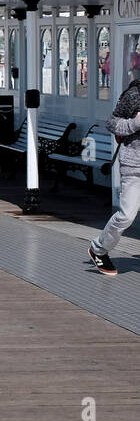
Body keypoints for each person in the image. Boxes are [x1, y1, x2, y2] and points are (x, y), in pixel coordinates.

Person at [88, 75, 140, 274]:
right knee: (126, 216)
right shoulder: (135, 94)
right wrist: (135, 123)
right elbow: (112, 123)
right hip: (134, 165)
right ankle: (99, 249)